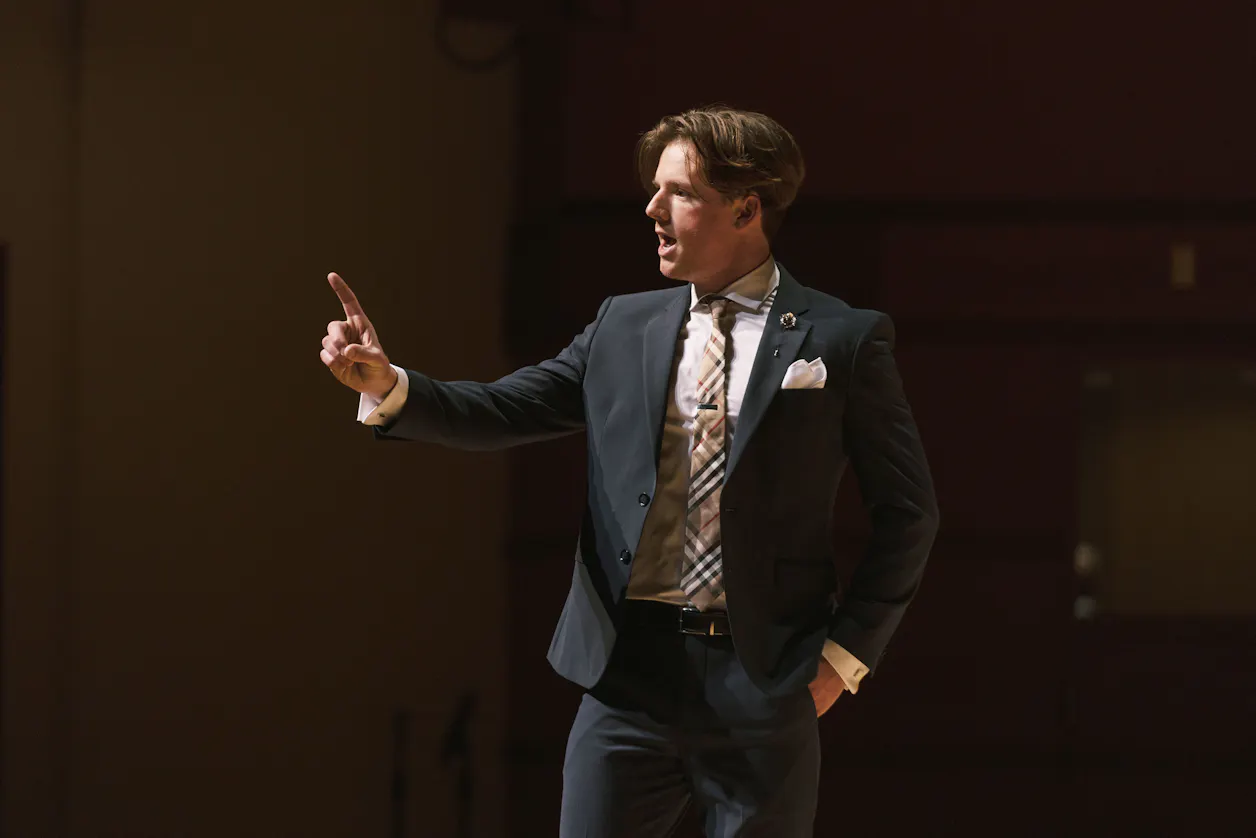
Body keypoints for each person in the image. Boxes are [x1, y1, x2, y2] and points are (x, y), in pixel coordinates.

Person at [320, 106, 939, 837]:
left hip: (765, 679)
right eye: (654, 189)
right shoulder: (623, 324)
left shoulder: (841, 338)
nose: (651, 208)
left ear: (746, 208)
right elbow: (502, 410)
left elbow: (909, 512)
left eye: (679, 192)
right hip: (627, 676)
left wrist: (846, 655)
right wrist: (387, 386)